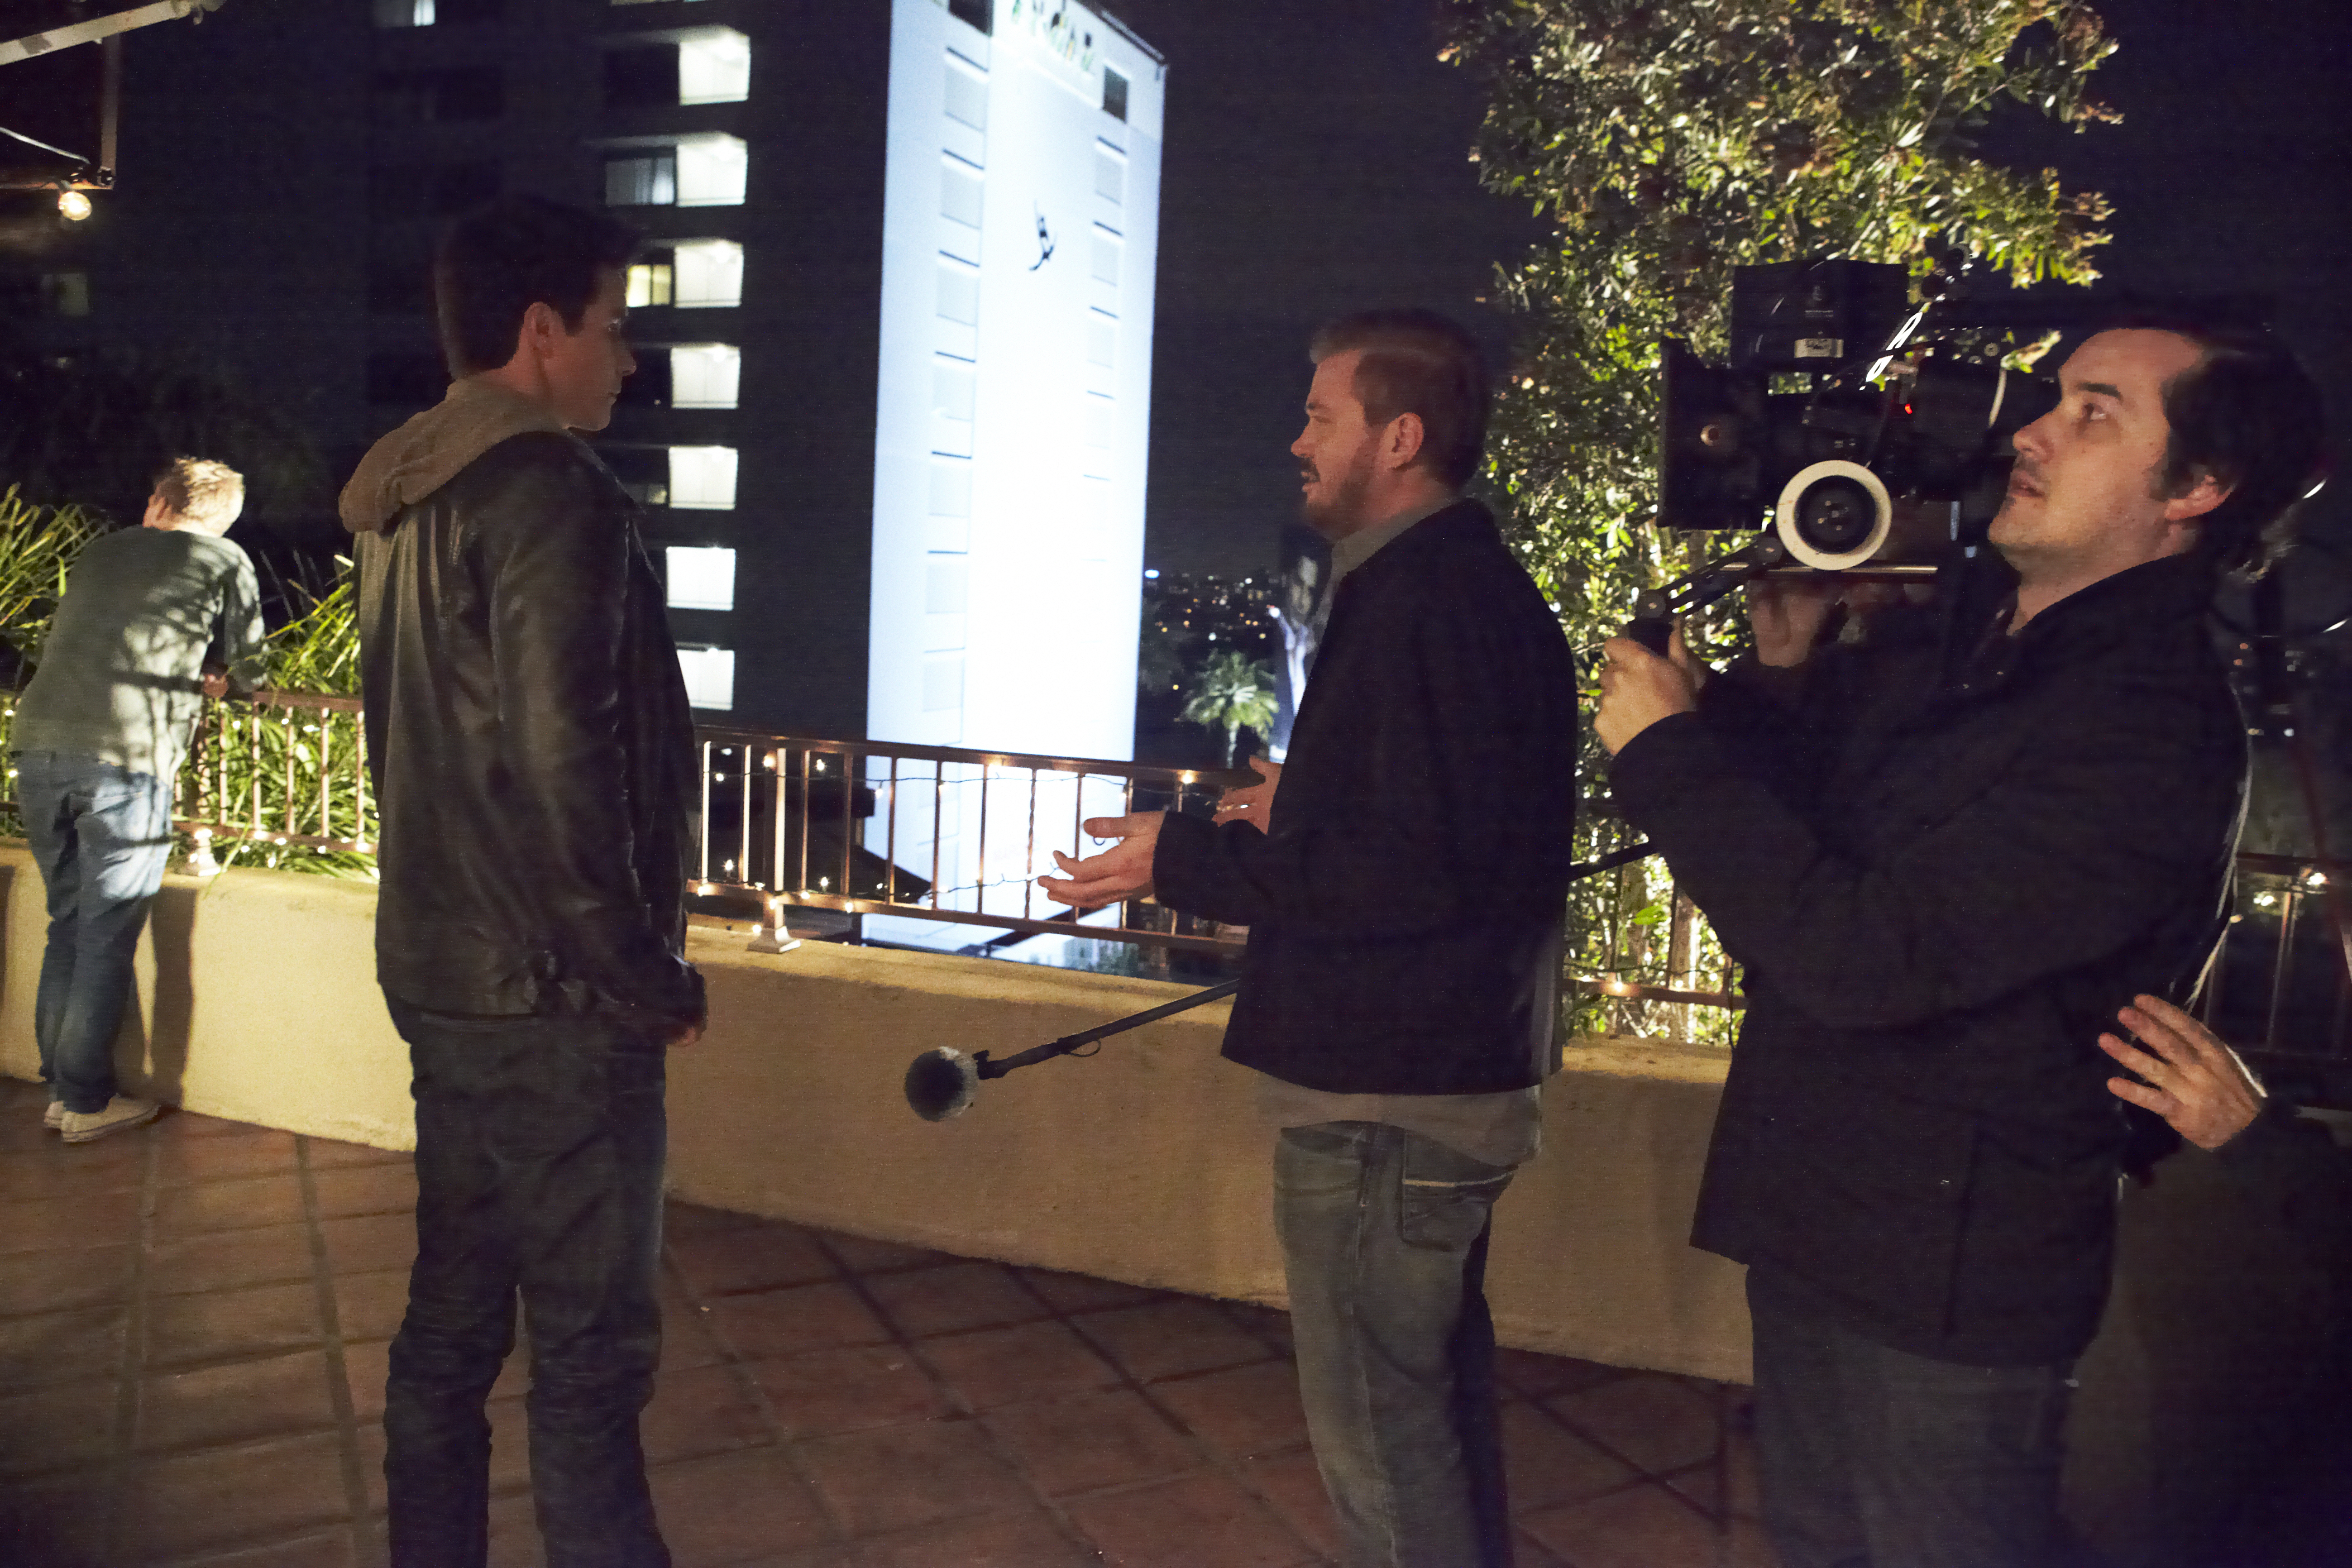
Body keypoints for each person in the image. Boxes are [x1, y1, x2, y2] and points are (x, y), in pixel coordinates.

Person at [1595, 314, 2328, 1567]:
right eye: (2054, 397)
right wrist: (1767, 686)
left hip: (1950, 1282)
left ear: (2197, 491)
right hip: (1827, 1216)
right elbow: (1830, 843)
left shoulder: (2146, 727)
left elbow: (1866, 952)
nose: (2034, 430)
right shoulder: (1982, 645)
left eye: (2097, 411)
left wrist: (1663, 752)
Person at [1043, 309, 1580, 1568]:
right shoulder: (1460, 589)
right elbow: (1445, 826)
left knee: (1383, 1445)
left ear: (1401, 437)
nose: (1297, 441)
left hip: (1386, 1101)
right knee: (1427, 1415)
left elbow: (1397, 870)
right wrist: (1308, 801)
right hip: (1437, 1079)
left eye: (1321, 416)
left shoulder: (1422, 603)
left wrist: (1179, 856)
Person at [340, 194, 704, 1568]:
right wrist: (638, 967)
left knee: (449, 1324)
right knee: (591, 1359)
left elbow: (417, 743)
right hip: (555, 999)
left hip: (443, 970)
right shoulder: (549, 490)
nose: (628, 360)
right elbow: (569, 759)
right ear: (542, 333)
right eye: (616, 329)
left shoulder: (402, 490)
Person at [10, 458, 262, 1142]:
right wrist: (222, 678)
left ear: (158, 503)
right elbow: (252, 667)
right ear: (223, 519)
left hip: (36, 746)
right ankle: (87, 1103)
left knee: (66, 923)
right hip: (127, 757)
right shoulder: (224, 559)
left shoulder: (104, 549)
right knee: (105, 936)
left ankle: (64, 1093)